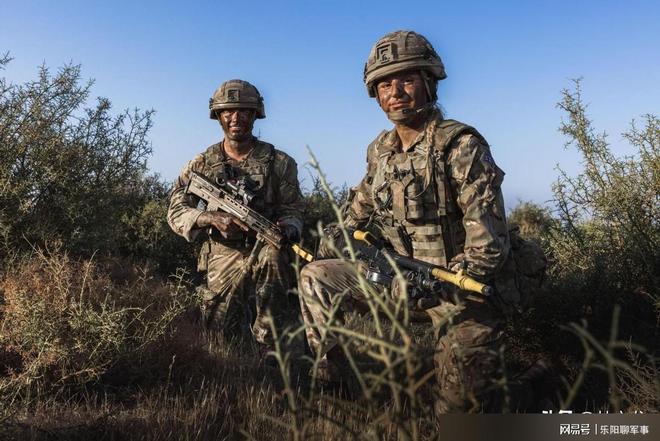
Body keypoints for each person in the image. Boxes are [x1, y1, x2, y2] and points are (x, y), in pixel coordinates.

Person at [298, 31, 520, 412]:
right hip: (395, 280)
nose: (395, 92)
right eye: (384, 84)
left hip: (457, 290)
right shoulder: (380, 150)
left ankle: (534, 387)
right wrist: (325, 243)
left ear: (429, 82)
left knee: (460, 413)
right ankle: (332, 388)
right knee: (315, 276)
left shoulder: (460, 145)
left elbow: (487, 247)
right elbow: (356, 213)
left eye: (406, 79)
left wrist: (439, 284)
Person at [168, 79, 304, 347]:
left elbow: (294, 208)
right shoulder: (202, 163)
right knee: (218, 336)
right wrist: (210, 219)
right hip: (221, 253)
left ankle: (271, 357)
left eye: (244, 111)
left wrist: (288, 227)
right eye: (228, 111)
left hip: (267, 249)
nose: (236, 118)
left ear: (255, 114)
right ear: (218, 115)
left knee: (276, 327)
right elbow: (176, 209)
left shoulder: (280, 163)